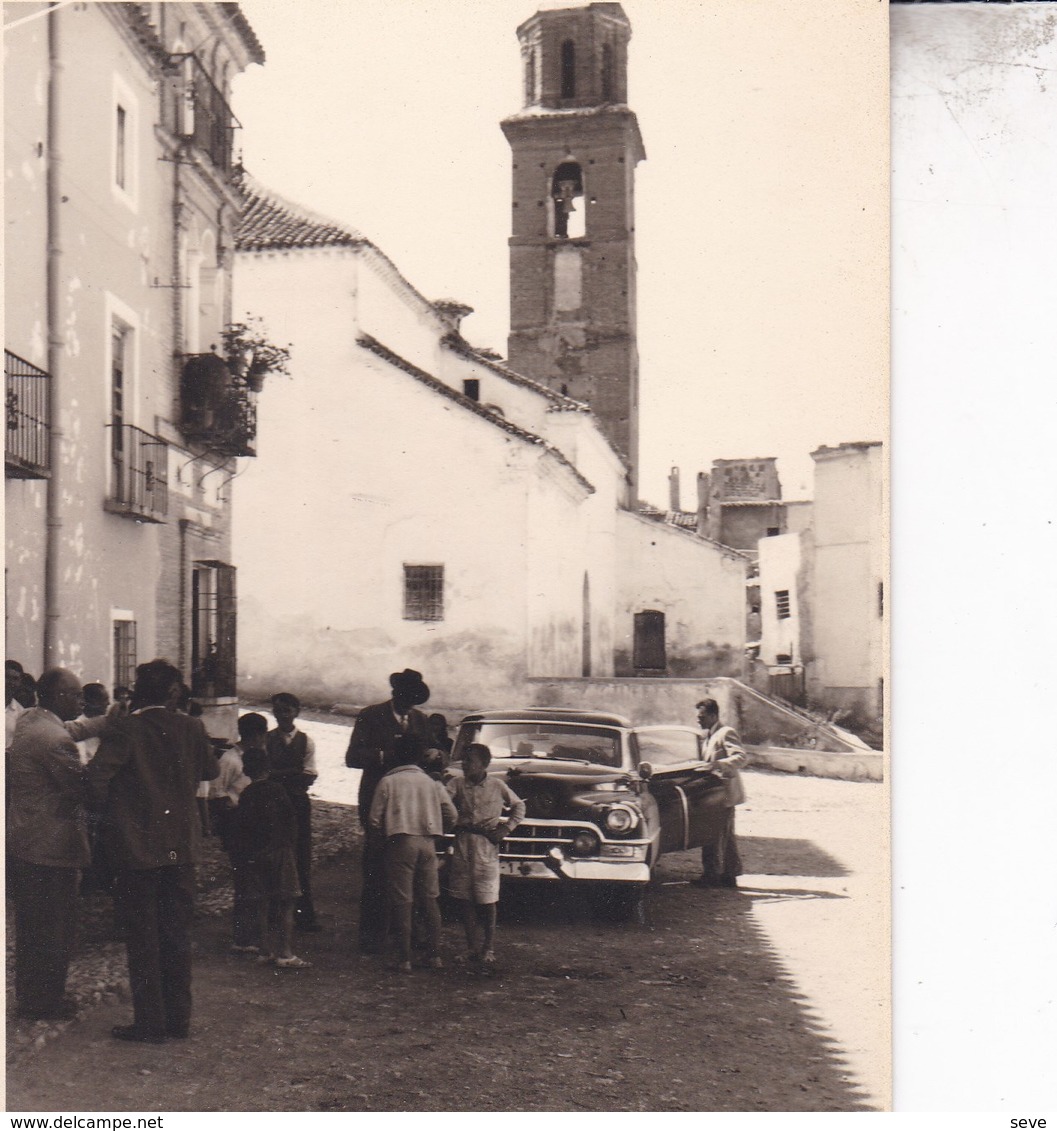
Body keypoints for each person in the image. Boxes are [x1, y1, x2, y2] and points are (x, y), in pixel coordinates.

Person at [88, 659, 219, 1044]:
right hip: (181, 847)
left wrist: (111, 818)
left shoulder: (126, 729)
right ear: (173, 693)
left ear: (137, 691)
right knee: (176, 933)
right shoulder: (192, 726)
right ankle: (179, 1018)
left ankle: (151, 1022)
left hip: (137, 849)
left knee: (143, 935)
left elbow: (96, 780)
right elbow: (210, 771)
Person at [6, 668, 111, 1020]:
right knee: (54, 928)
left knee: (33, 926)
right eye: (75, 695)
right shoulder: (54, 741)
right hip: (52, 847)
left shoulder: (29, 721)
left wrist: (106, 722)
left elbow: (71, 729)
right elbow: (84, 788)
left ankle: (32, 997)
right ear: (54, 697)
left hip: (26, 842)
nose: (81, 701)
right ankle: (45, 1002)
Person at [345, 668, 433, 953]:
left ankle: (407, 935)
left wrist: (435, 755)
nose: (410, 705)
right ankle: (372, 936)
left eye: (414, 700)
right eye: (406, 699)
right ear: (395, 694)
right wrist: (384, 755)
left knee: (411, 872)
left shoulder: (421, 720)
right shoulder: (370, 715)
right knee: (376, 867)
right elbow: (352, 757)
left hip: (411, 806)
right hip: (378, 802)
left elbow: (435, 751)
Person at [368, 733, 456, 973]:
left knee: (403, 901)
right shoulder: (431, 782)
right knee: (430, 899)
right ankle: (434, 955)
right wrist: (438, 830)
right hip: (427, 842)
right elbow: (452, 814)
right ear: (420, 756)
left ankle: (405, 958)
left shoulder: (389, 781)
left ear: (396, 754)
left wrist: (380, 841)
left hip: (400, 842)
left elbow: (374, 820)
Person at [447, 743, 525, 967]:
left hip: (486, 846)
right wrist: (453, 821)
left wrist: (505, 829)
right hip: (463, 843)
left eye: (469, 760)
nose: (464, 764)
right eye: (463, 760)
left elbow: (519, 807)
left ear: (484, 764)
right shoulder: (456, 784)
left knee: (487, 900)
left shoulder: (497, 785)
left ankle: (488, 947)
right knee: (464, 899)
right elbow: (442, 801)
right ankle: (471, 947)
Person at [234, 748, 312, 969]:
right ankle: (285, 952)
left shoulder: (247, 793)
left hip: (256, 853)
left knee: (262, 903)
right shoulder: (278, 790)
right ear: (268, 769)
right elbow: (290, 820)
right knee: (287, 902)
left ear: (246, 770)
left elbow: (242, 826)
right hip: (280, 851)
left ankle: (265, 949)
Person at [266, 692, 321, 933]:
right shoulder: (266, 740)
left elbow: (309, 775)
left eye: (287, 711)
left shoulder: (306, 741)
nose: (282, 716)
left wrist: (279, 775)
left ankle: (303, 914)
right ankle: (272, 914)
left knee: (300, 856)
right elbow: (263, 773)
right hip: (272, 803)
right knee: (272, 854)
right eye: (278, 711)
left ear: (296, 712)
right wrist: (291, 774)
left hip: (297, 804)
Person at [211, 712, 264, 953]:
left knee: (255, 880)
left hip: (255, 826)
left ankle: (253, 933)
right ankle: (243, 937)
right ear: (256, 736)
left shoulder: (255, 757)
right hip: (239, 827)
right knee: (246, 882)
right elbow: (217, 794)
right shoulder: (230, 760)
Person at [692, 697, 748, 889]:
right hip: (715, 794)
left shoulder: (725, 733)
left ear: (714, 715)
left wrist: (718, 765)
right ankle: (729, 875)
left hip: (723, 793)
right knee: (725, 836)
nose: (698, 720)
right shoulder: (708, 735)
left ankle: (712, 875)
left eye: (702, 716)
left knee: (715, 835)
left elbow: (740, 757)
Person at [74, 682, 111, 764]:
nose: (109, 704)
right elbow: (82, 762)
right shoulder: (78, 726)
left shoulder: (104, 723)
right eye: (105, 699)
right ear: (92, 702)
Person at [6, 659, 27, 750]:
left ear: (20, 683)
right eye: (6, 677)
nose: (10, 683)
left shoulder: (21, 713)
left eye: (15, 679)